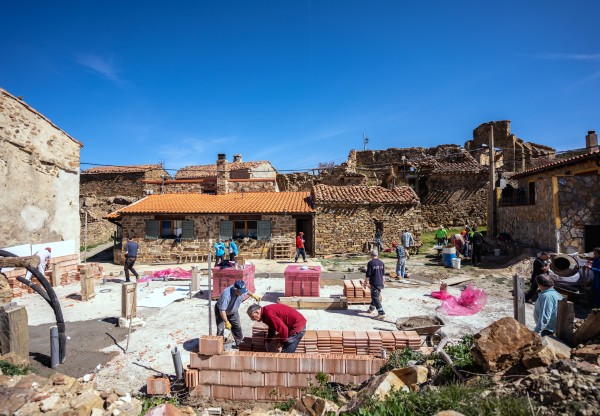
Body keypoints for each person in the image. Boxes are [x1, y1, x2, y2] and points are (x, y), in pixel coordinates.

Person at [215, 280, 260, 347]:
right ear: (235, 289)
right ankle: (219, 346)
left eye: (243, 291)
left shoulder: (242, 291)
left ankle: (239, 344)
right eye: (240, 292)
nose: (242, 294)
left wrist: (253, 295)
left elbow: (247, 291)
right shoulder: (226, 295)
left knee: (237, 327)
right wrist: (226, 322)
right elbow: (222, 310)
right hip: (221, 311)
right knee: (220, 329)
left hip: (233, 310)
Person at [364, 249, 386, 319]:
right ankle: (371, 309)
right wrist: (383, 283)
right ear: (377, 255)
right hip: (380, 283)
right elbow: (383, 275)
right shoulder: (381, 263)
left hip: (374, 282)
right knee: (375, 296)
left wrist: (365, 282)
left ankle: (381, 313)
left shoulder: (371, 263)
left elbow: (368, 274)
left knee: (375, 297)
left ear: (371, 255)